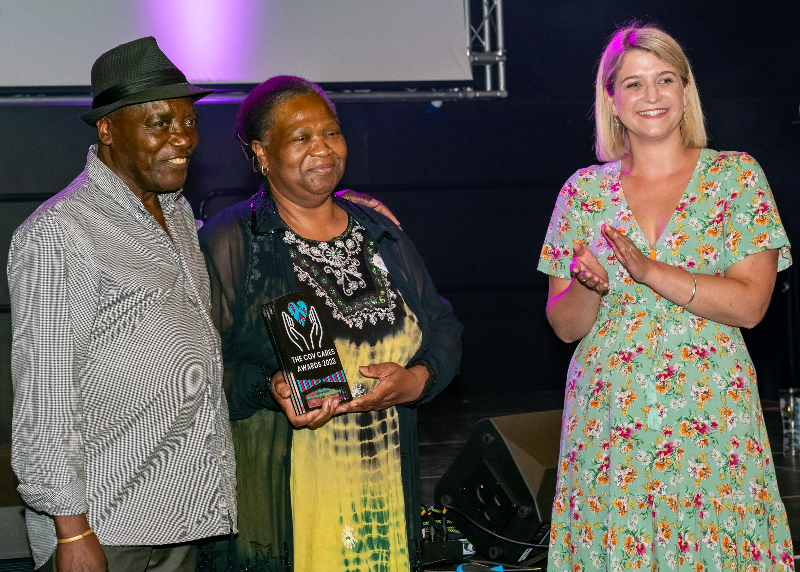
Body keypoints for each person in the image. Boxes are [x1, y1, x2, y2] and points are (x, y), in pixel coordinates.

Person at [538, 23, 795, 571]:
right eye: (632, 84)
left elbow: (751, 306)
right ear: (611, 99)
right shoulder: (582, 191)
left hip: (710, 415)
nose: (650, 96)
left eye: (664, 80)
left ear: (685, 90)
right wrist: (589, 287)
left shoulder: (735, 178)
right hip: (611, 421)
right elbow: (564, 326)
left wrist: (650, 271)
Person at [197, 76, 462, 572]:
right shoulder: (233, 241)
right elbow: (196, 371)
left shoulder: (378, 229)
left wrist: (418, 380)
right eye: (301, 138)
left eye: (331, 133)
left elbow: (444, 327)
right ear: (260, 152)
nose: (322, 149)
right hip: (287, 500)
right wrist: (268, 386)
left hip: (384, 490)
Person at [8, 37, 239, 572]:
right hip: (108, 530)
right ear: (108, 129)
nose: (182, 138)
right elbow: (46, 401)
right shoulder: (59, 234)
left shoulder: (177, 214)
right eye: (160, 123)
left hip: (181, 516)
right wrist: (71, 534)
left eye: (189, 122)